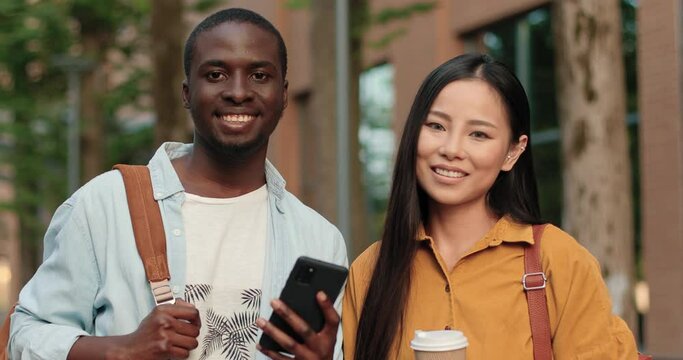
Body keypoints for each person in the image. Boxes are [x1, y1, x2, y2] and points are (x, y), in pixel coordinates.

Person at [9, 8, 346, 360]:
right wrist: (121, 350)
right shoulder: (104, 206)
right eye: (216, 74)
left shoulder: (318, 239)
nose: (238, 91)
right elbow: (26, 334)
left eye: (260, 75)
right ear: (187, 92)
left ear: (284, 94)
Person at [342, 53, 638, 359]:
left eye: (478, 134)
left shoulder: (559, 262)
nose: (451, 149)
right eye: (436, 126)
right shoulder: (369, 271)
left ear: (513, 152)